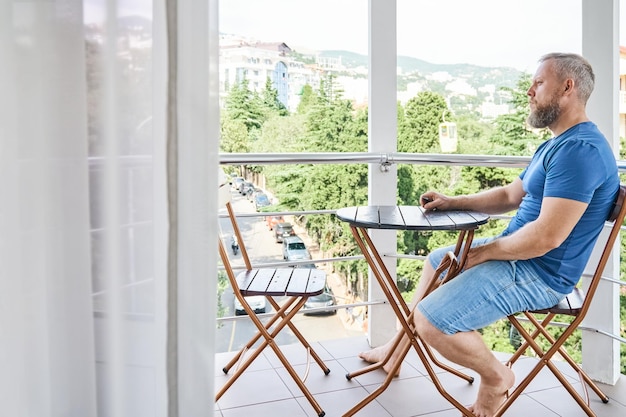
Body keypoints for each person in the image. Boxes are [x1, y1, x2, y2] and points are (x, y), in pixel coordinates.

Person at [358, 52, 620, 417]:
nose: (529, 91)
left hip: (541, 272)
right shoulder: (559, 143)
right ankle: (396, 351)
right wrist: (453, 201)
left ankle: (496, 376)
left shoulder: (580, 151)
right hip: (524, 258)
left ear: (567, 87)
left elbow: (547, 237)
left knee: (432, 320)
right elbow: (510, 196)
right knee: (438, 261)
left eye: (538, 83)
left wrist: (482, 253)